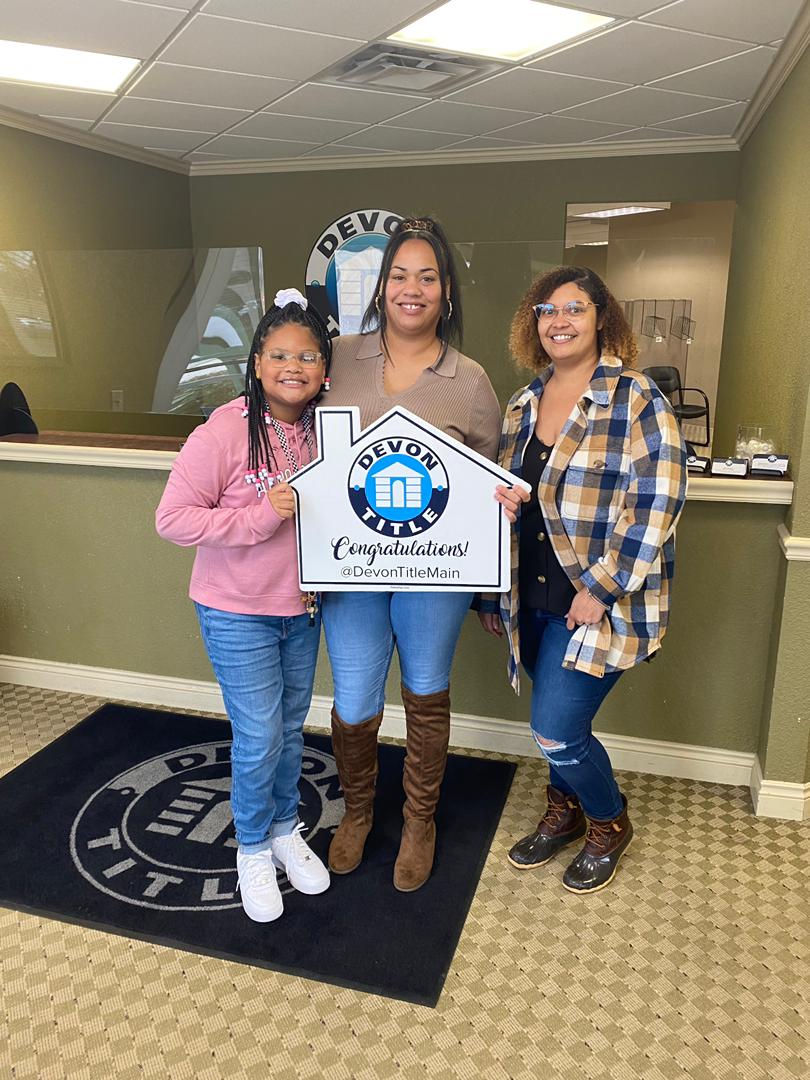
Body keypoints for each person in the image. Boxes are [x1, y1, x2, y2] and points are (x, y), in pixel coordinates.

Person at [481, 265, 687, 894]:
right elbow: (509, 497)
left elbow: (658, 501)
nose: (560, 320)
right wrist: (491, 587)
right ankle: (564, 811)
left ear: (602, 318)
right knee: (558, 725)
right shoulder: (522, 404)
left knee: (556, 728)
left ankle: (608, 822)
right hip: (533, 598)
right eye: (547, 310)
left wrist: (600, 588)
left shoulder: (635, 398)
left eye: (574, 308)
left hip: (597, 603)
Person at [322, 216, 502, 892]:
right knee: (354, 697)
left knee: (426, 689)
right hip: (350, 568)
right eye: (399, 275)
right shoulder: (338, 358)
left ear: (446, 290)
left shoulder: (470, 380)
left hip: (437, 573)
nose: (412, 288)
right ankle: (359, 812)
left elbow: (488, 480)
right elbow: (293, 427)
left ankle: (418, 821)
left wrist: (499, 516)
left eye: (427, 277)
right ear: (381, 286)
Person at [155, 289, 333, 922]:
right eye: (279, 355)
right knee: (258, 736)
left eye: (307, 356)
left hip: (303, 609)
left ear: (324, 367)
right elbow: (172, 519)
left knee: (289, 729)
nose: (293, 367)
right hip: (236, 611)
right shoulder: (224, 429)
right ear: (257, 363)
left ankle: (284, 829)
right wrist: (259, 517)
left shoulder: (329, 431)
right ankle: (252, 847)